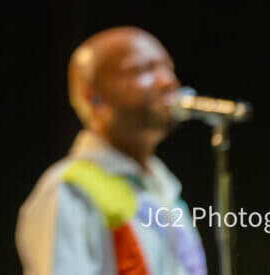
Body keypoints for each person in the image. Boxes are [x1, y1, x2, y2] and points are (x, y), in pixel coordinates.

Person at [16, 27, 207, 275]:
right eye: (143, 69)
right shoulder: (69, 189)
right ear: (94, 99)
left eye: (167, 68)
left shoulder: (164, 185)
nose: (167, 81)